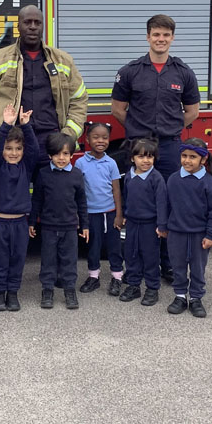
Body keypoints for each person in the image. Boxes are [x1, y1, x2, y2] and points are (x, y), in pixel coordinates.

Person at [111, 14, 200, 282]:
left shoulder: (183, 72)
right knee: (137, 203)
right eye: (156, 34)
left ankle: (167, 264)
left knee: (169, 203)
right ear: (148, 36)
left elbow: (192, 111)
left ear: (172, 38)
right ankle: (136, 264)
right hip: (139, 147)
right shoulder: (130, 71)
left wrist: (171, 128)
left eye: (166, 35)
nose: (161, 39)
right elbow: (118, 109)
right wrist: (138, 132)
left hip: (170, 147)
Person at [0, 4, 88, 166]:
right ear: (18, 26)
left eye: (37, 23)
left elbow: (79, 99)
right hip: (13, 145)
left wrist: (67, 136)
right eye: (27, 22)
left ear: (43, 26)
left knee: (52, 184)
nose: (32, 27)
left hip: (52, 144)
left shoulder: (63, 60)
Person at [29, 132, 89, 310]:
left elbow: (82, 202)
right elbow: (37, 200)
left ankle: (69, 290)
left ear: (71, 155)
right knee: (48, 260)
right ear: (49, 155)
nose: (61, 158)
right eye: (56, 154)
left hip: (70, 227)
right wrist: (32, 222)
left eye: (65, 154)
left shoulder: (77, 175)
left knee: (69, 260)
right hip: (48, 227)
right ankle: (47, 290)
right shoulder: (43, 174)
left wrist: (85, 225)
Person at [0, 104, 38, 312]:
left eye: (18, 148)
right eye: (9, 148)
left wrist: (26, 126)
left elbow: (34, 149)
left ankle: (13, 293)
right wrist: (6, 125)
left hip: (19, 224)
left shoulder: (26, 166)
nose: (13, 152)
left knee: (17, 260)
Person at [166, 139, 212, 318]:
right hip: (176, 233)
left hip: (199, 234)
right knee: (178, 266)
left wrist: (211, 235)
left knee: (198, 268)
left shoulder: (209, 182)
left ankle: (196, 298)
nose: (187, 160)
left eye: (192, 157)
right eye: (184, 156)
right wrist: (163, 226)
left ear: (203, 160)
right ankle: (180, 296)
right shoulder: (174, 179)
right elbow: (166, 205)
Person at [74, 122, 124, 296]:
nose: (100, 141)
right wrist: (79, 215)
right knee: (93, 246)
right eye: (96, 137)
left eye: (105, 137)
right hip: (90, 214)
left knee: (114, 246)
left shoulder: (111, 163)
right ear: (87, 139)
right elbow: (78, 191)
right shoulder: (80, 163)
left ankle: (117, 277)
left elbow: (116, 190)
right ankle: (93, 277)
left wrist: (119, 214)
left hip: (110, 213)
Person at [120, 138, 168, 306]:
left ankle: (152, 288)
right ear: (132, 158)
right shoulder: (129, 175)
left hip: (150, 225)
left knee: (150, 257)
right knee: (131, 255)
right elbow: (126, 196)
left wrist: (162, 225)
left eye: (150, 157)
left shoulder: (156, 178)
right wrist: (124, 214)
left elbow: (162, 203)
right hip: (132, 223)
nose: (146, 160)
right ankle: (134, 285)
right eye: (141, 156)